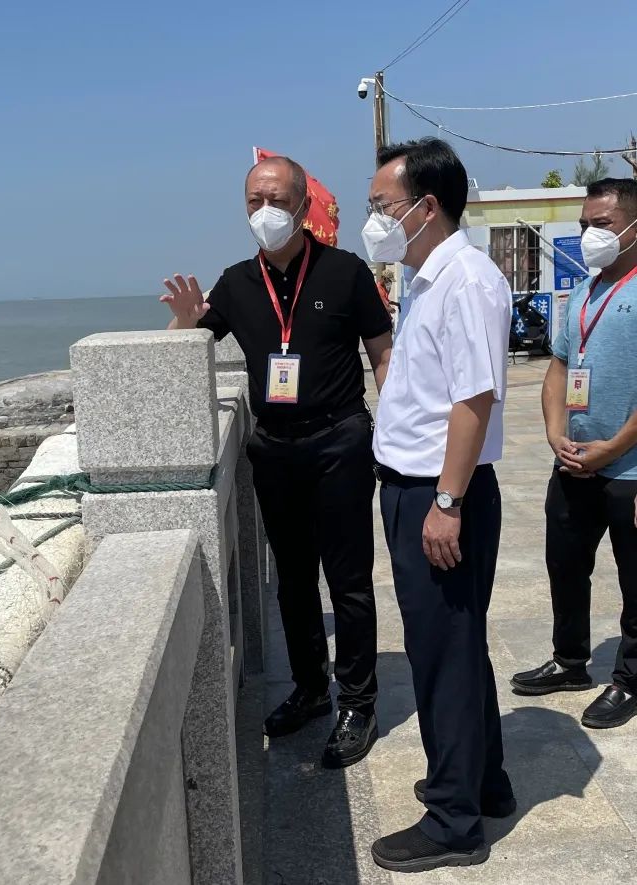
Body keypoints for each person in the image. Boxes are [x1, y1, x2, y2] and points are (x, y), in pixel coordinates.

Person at [161, 155, 393, 768]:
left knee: (348, 580)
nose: (265, 212)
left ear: (302, 206)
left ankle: (359, 704)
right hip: (274, 448)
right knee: (293, 579)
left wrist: (394, 432)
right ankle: (312, 688)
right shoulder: (237, 282)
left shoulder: (345, 271)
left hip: (339, 440)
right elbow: (186, 350)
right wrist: (182, 321)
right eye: (254, 202)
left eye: (278, 201)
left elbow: (383, 354)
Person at [365, 138, 514, 873]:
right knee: (456, 645)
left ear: (426, 206)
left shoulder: (468, 280)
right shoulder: (424, 276)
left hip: (440, 490)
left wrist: (447, 501)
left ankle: (454, 821)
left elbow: (473, 399)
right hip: (415, 484)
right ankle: (482, 781)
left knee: (442, 653)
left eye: (382, 206)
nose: (375, 220)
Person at [510, 178, 637, 729]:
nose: (589, 235)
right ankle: (569, 660)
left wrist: (613, 447)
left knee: (634, 579)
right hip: (574, 462)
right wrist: (554, 431)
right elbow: (558, 368)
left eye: (602, 225)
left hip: (629, 468)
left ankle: (630, 679)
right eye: (585, 225)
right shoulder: (583, 292)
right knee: (565, 565)